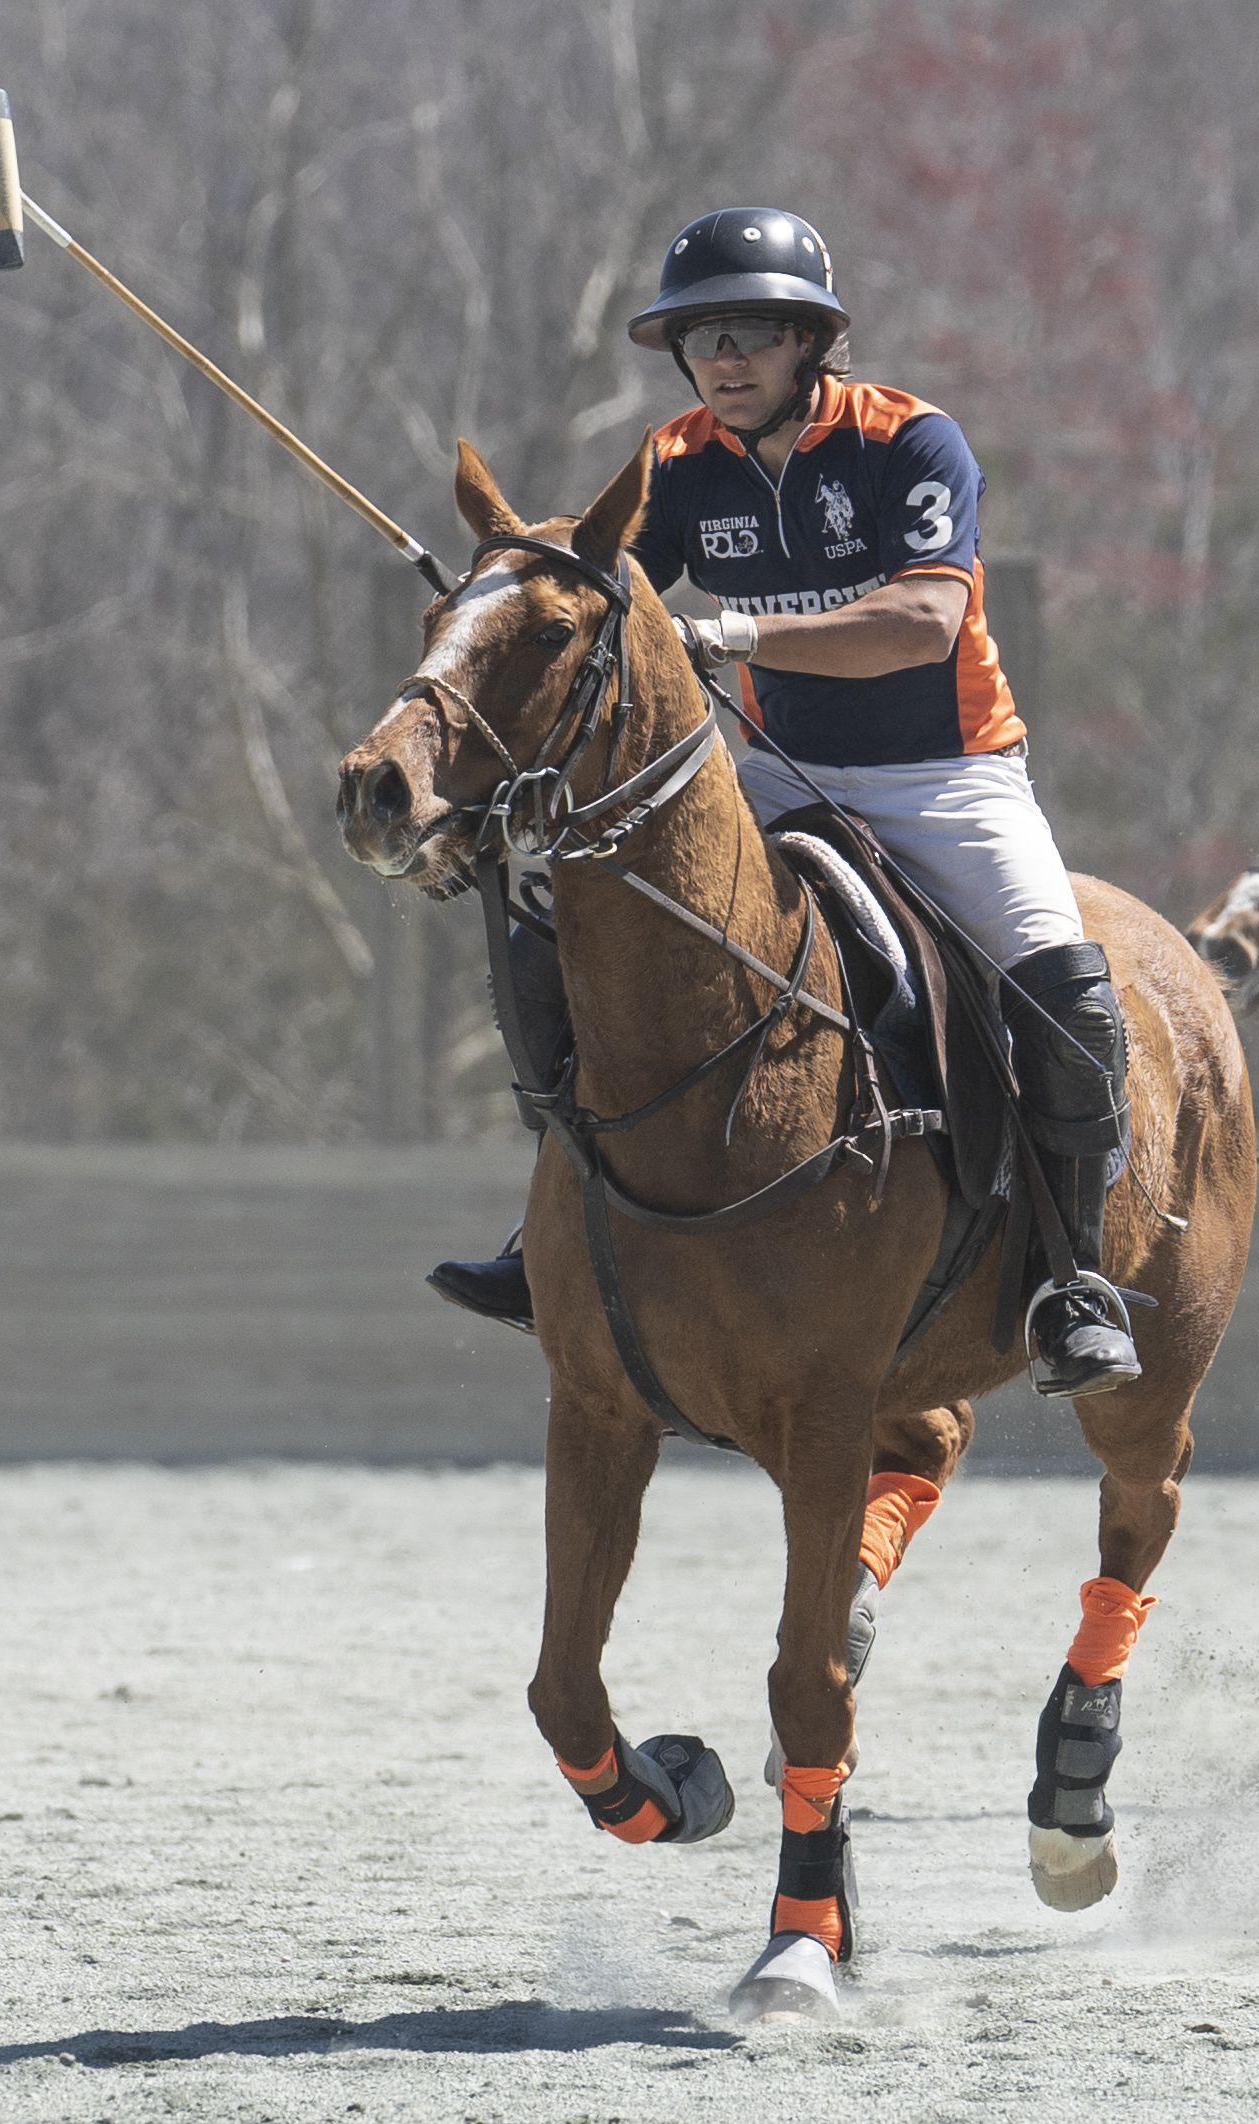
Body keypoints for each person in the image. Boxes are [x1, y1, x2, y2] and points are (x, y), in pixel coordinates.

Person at [431, 207, 1138, 1400]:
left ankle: (1072, 1282)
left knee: (1064, 991)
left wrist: (737, 627)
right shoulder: (678, 462)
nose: (725, 357)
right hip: (773, 776)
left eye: (753, 331)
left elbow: (925, 623)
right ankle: (552, 1231)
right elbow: (594, 592)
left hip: (946, 774)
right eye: (702, 335)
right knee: (563, 930)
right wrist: (497, 580)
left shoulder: (911, 442)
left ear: (812, 341)